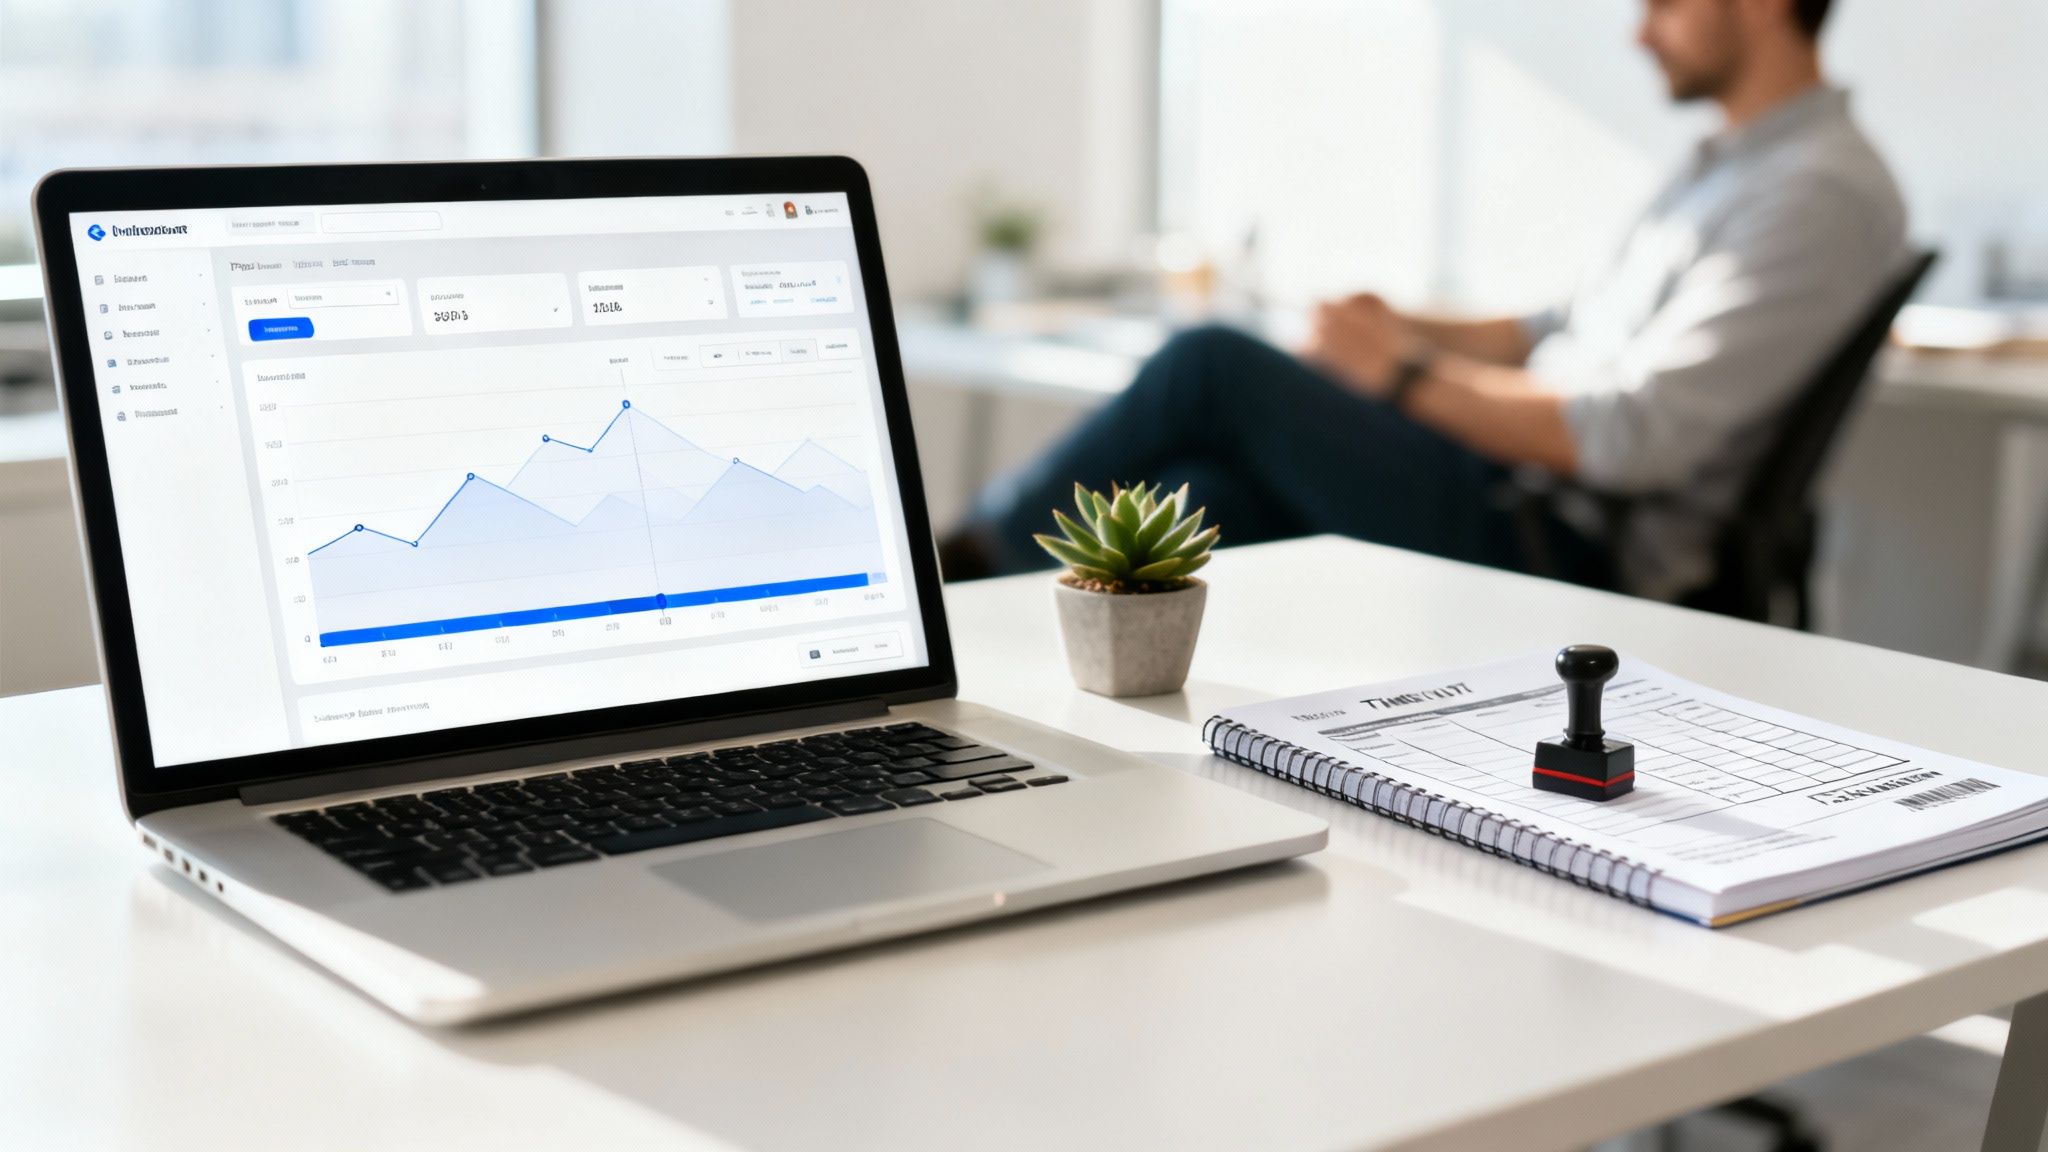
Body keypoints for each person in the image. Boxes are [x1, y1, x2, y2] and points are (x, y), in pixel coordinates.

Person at [941, 0, 1907, 601]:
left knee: (1212, 363)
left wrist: (1399, 374)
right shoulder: (1725, 167)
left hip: (1561, 544)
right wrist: (1402, 327)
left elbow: (1636, 434)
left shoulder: (1815, 192)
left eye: (1664, 0)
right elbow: (1549, 334)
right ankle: (983, 656)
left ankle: (961, 570)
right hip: (1508, 485)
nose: (1640, 28)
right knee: (1204, 496)